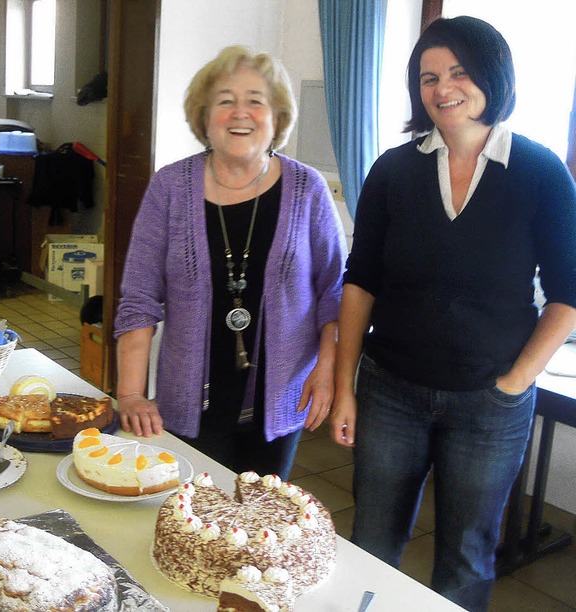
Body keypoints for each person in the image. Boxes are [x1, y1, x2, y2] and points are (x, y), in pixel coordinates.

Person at [330, 15, 576, 612]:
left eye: (459, 72)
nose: (442, 88)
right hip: (391, 391)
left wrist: (514, 383)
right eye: (428, 76)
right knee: (372, 541)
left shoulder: (541, 173)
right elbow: (360, 283)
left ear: (494, 76)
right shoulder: (393, 170)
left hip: (488, 406)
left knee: (466, 556)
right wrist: (345, 388)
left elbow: (568, 295)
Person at [115, 45, 346, 481]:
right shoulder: (169, 187)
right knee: (193, 522)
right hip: (189, 405)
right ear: (203, 117)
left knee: (261, 526)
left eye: (256, 101)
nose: (241, 113)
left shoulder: (308, 190)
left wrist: (328, 372)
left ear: (276, 116)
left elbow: (334, 291)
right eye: (225, 100)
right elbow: (139, 299)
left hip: (281, 402)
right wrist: (130, 394)